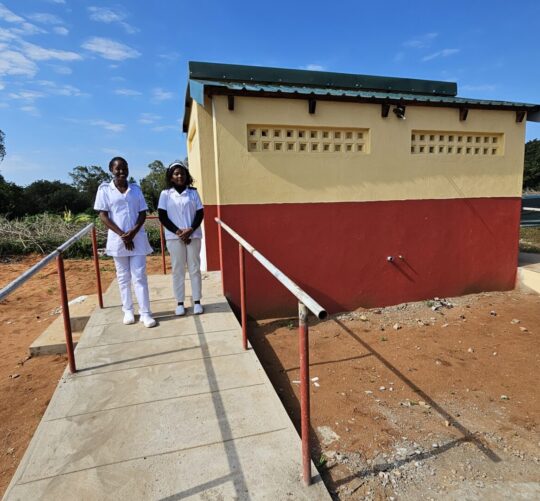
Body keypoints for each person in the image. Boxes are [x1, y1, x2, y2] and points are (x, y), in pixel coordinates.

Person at [94, 156, 156, 328]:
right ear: (111, 170)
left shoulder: (135, 189)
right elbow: (103, 215)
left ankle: (145, 313)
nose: (122, 171)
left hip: (137, 238)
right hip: (118, 240)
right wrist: (123, 235)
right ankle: (128, 310)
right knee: (123, 277)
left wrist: (133, 233)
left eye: (125, 168)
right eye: (118, 168)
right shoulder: (105, 190)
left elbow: (142, 213)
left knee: (139, 275)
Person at [158, 161, 204, 316]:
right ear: (171, 177)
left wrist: (190, 230)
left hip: (193, 235)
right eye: (176, 174)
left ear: (186, 175)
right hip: (174, 237)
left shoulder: (193, 193)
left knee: (194, 268)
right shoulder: (165, 194)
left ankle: (197, 301)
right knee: (178, 269)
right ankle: (179, 302)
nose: (180, 176)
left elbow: (200, 213)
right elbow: (162, 216)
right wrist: (179, 232)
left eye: (182, 173)